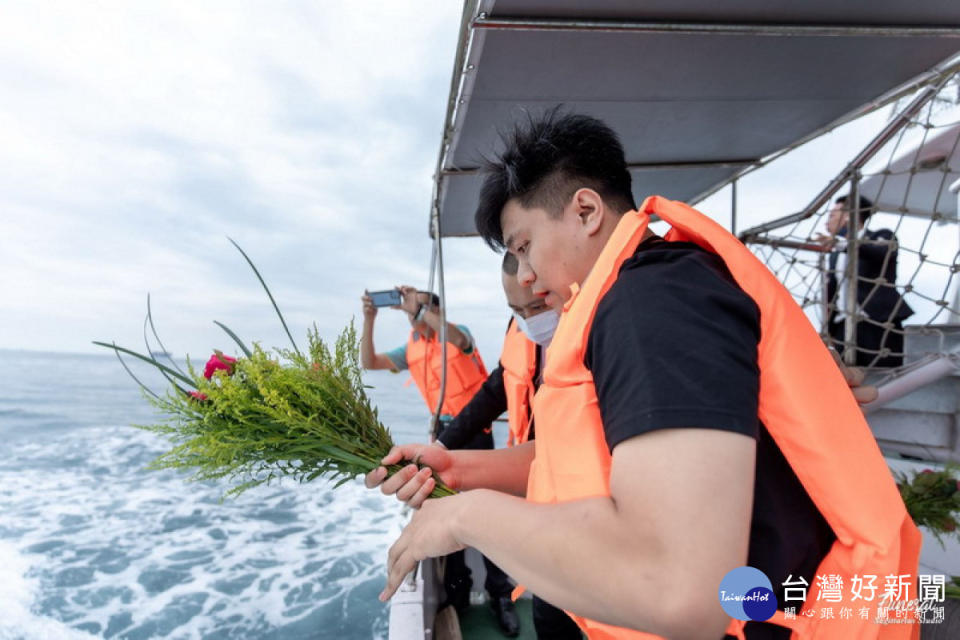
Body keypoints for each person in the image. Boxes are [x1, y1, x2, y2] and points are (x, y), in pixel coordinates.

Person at [367, 112, 919, 640]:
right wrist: (457, 467)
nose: (528, 278)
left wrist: (465, 518)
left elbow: (681, 588)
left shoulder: (651, 304)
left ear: (586, 211)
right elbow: (605, 452)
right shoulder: (651, 293)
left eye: (524, 247)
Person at [434, 253, 581, 640]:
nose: (529, 318)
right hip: (532, 480)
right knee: (551, 610)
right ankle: (504, 601)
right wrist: (442, 445)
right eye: (515, 308)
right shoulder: (518, 330)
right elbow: (496, 388)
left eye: (536, 305)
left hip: (580, 489)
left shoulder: (590, 327)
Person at [359, 286, 517, 636]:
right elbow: (369, 362)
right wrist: (370, 319)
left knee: (490, 511)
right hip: (443, 437)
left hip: (475, 430)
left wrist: (421, 311)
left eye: (418, 308)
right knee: (448, 514)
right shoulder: (411, 347)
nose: (410, 313)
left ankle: (501, 596)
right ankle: (456, 595)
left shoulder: (457, 335)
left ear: (432, 309)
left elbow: (452, 334)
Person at [815, 194, 914, 367]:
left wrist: (842, 244)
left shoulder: (881, 236)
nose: (827, 221)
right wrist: (828, 328)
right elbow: (832, 291)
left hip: (877, 321)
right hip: (843, 326)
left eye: (832, 215)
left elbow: (881, 253)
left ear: (849, 215)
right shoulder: (835, 255)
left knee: (885, 371)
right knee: (842, 376)